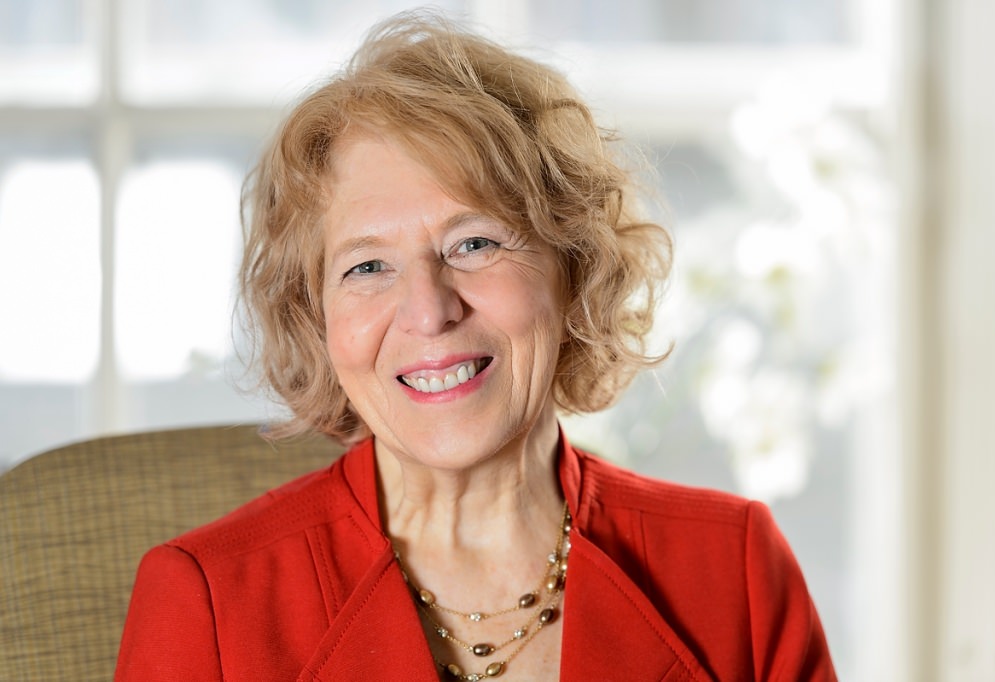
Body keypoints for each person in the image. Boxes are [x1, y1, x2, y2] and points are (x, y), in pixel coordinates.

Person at [116, 11, 836, 682]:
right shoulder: (205, 601)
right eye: (367, 266)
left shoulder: (732, 568)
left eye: (475, 243)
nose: (429, 312)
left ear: (574, 269)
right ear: (317, 317)